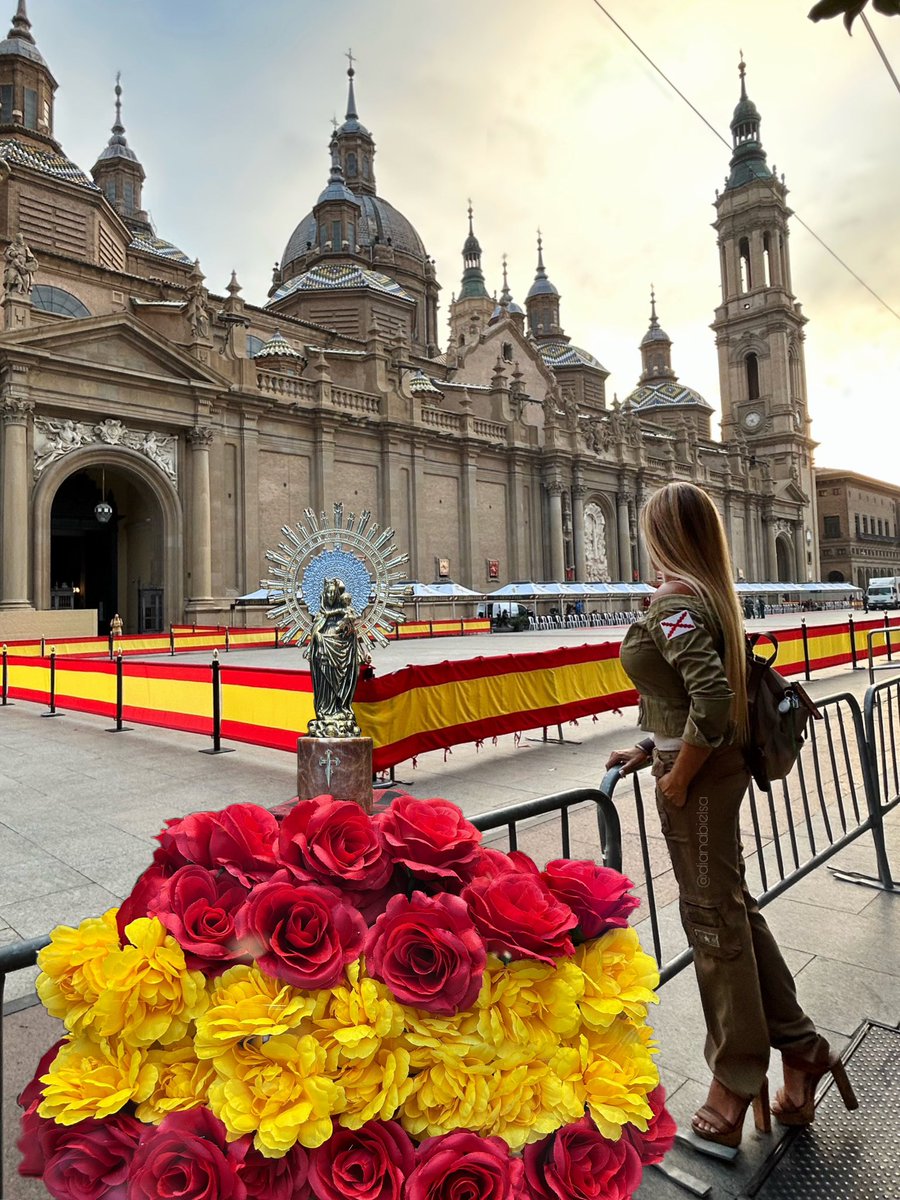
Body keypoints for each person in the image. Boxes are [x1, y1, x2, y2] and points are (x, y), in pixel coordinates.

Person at [606, 482, 856, 1149]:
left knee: (712, 920)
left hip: (701, 779)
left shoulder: (675, 601)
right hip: (708, 769)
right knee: (732, 909)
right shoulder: (704, 595)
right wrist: (646, 747)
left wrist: (677, 778)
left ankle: (735, 1079)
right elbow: (683, 689)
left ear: (662, 534)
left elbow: (711, 698)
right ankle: (802, 1051)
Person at [304, 577, 367, 737]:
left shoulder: (345, 612)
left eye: (334, 593)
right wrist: (317, 637)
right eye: (328, 593)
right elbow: (315, 633)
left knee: (343, 685)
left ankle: (342, 708)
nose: (331, 596)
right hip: (325, 657)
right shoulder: (320, 615)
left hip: (344, 657)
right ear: (324, 594)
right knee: (326, 687)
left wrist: (350, 637)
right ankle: (326, 711)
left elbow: (352, 633)